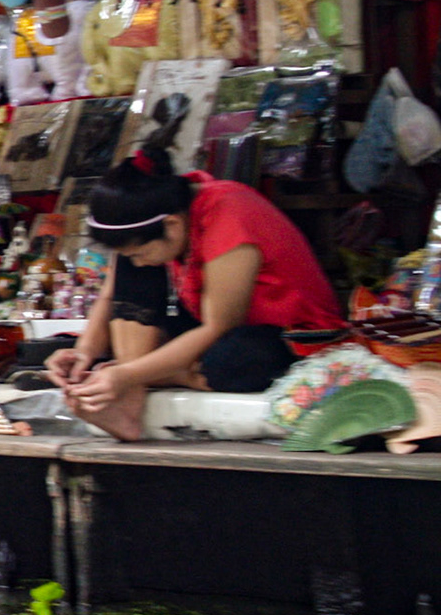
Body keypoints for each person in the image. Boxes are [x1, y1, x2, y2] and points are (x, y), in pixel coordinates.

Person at [46, 148, 344, 440]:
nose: (138, 260)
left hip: (289, 335)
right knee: (132, 263)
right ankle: (132, 394)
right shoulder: (165, 209)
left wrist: (128, 374)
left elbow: (219, 326)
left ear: (173, 226)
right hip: (210, 324)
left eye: (142, 251)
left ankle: (145, 376)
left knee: (232, 362)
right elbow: (112, 295)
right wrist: (83, 352)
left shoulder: (230, 212)